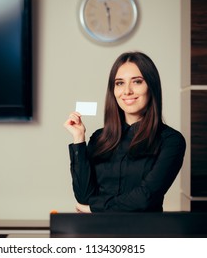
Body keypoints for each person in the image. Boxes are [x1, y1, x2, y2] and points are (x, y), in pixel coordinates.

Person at [63, 51, 186, 213]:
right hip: (97, 233)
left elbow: (146, 198)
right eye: (120, 83)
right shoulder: (99, 138)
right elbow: (83, 197)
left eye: (137, 82)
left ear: (151, 86)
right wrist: (79, 139)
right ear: (113, 90)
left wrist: (94, 208)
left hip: (143, 233)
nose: (127, 91)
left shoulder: (171, 141)